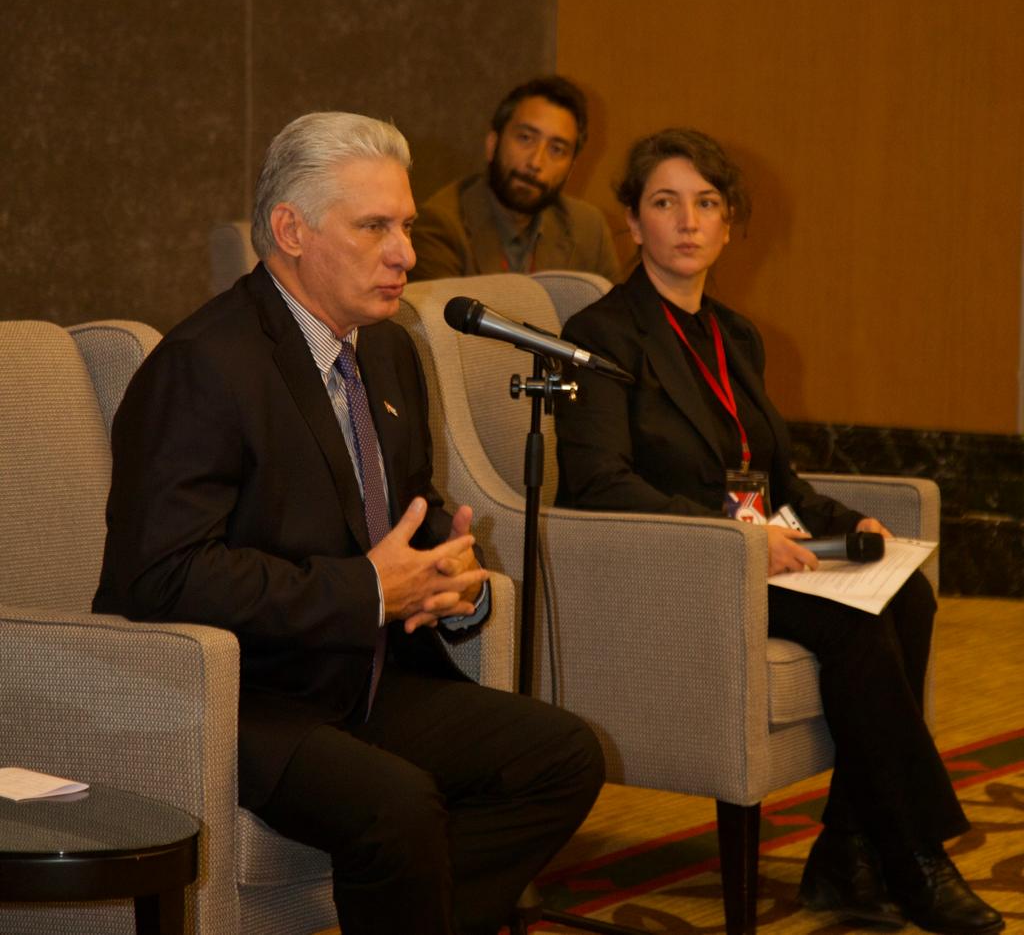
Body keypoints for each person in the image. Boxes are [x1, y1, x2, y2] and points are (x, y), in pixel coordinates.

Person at [94, 111, 604, 935]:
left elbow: (406, 508)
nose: (405, 250)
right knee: (398, 807)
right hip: (238, 695)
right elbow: (162, 577)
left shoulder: (389, 348)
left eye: (404, 224)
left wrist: (451, 578)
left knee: (561, 757)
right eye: (375, 227)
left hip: (358, 678)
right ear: (290, 231)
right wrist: (367, 589)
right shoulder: (202, 366)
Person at [554, 128, 1004, 935]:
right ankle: (913, 857)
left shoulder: (737, 335)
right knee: (853, 623)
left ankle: (843, 847)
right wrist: (739, 544)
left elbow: (776, 480)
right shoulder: (601, 335)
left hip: (756, 547)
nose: (687, 221)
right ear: (632, 223)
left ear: (729, 224)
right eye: (665, 203)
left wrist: (845, 526)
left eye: (707, 204)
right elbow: (597, 485)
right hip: (678, 564)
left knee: (908, 594)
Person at [410, 74, 621, 282]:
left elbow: (614, 316)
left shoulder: (589, 230)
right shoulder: (440, 225)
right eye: (525, 138)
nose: (536, 163)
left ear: (570, 169)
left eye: (557, 150)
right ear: (493, 144)